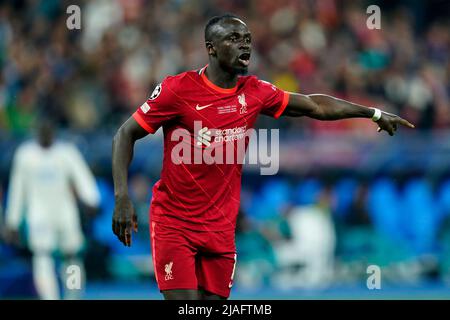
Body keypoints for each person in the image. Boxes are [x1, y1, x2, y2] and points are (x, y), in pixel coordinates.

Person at [112, 14, 414, 300]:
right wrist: (122, 196)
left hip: (220, 229)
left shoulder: (255, 92)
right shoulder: (177, 89)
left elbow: (314, 106)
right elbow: (125, 135)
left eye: (247, 38)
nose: (245, 44)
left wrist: (371, 113)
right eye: (233, 38)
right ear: (211, 49)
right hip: (175, 224)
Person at [4, 118, 100, 300]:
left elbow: (82, 177)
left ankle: (73, 296)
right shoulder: (25, 155)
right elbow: (18, 189)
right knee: (42, 257)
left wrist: (91, 199)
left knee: (72, 256)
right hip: (38, 216)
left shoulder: (67, 153)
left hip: (66, 214)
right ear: (36, 132)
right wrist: (12, 221)